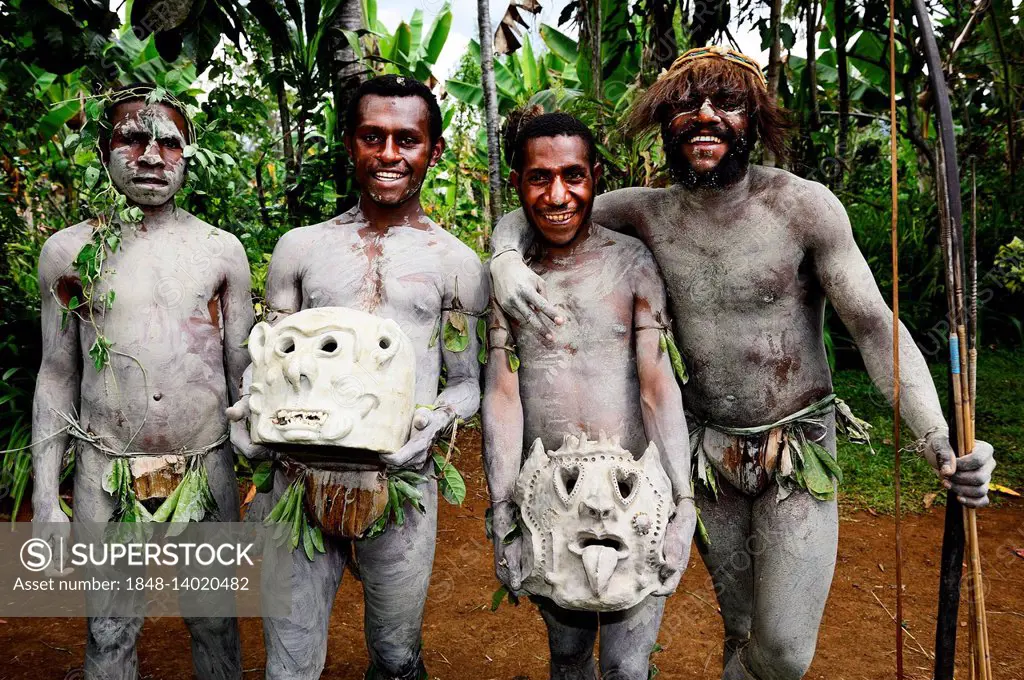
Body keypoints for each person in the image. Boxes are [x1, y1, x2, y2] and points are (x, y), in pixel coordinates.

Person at [487, 47, 996, 680]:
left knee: (782, 651)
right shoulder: (644, 212)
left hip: (795, 449)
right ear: (662, 123)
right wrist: (504, 257)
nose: (704, 117)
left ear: (754, 120)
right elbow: (542, 201)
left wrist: (936, 436)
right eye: (684, 106)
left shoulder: (802, 208)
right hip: (707, 453)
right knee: (743, 628)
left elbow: (873, 326)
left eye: (725, 103)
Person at [227, 74, 488, 680]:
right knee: (288, 665)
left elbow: (464, 382)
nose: (389, 155)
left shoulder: (455, 264)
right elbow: (269, 364)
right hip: (294, 479)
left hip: (400, 486)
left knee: (396, 657)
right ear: (350, 143)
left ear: (434, 150)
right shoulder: (301, 249)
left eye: (407, 139)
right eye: (373, 137)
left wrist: (433, 424)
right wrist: (249, 417)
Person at [32, 84, 252, 679]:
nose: (152, 156)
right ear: (105, 148)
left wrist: (268, 470)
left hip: (205, 467)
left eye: (169, 143)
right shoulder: (69, 252)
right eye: (134, 138)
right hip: (106, 468)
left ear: (189, 152)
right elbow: (56, 374)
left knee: (214, 619)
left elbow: (244, 375)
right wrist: (46, 497)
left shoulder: (220, 251)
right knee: (109, 628)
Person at [482, 111, 695, 680]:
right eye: (538, 178)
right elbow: (502, 393)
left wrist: (683, 503)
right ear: (518, 183)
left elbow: (657, 385)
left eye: (573, 176)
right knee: (568, 656)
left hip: (634, 497)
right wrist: (504, 509)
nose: (557, 195)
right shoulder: (510, 277)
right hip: (552, 497)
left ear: (596, 176)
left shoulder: (631, 263)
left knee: (627, 669)